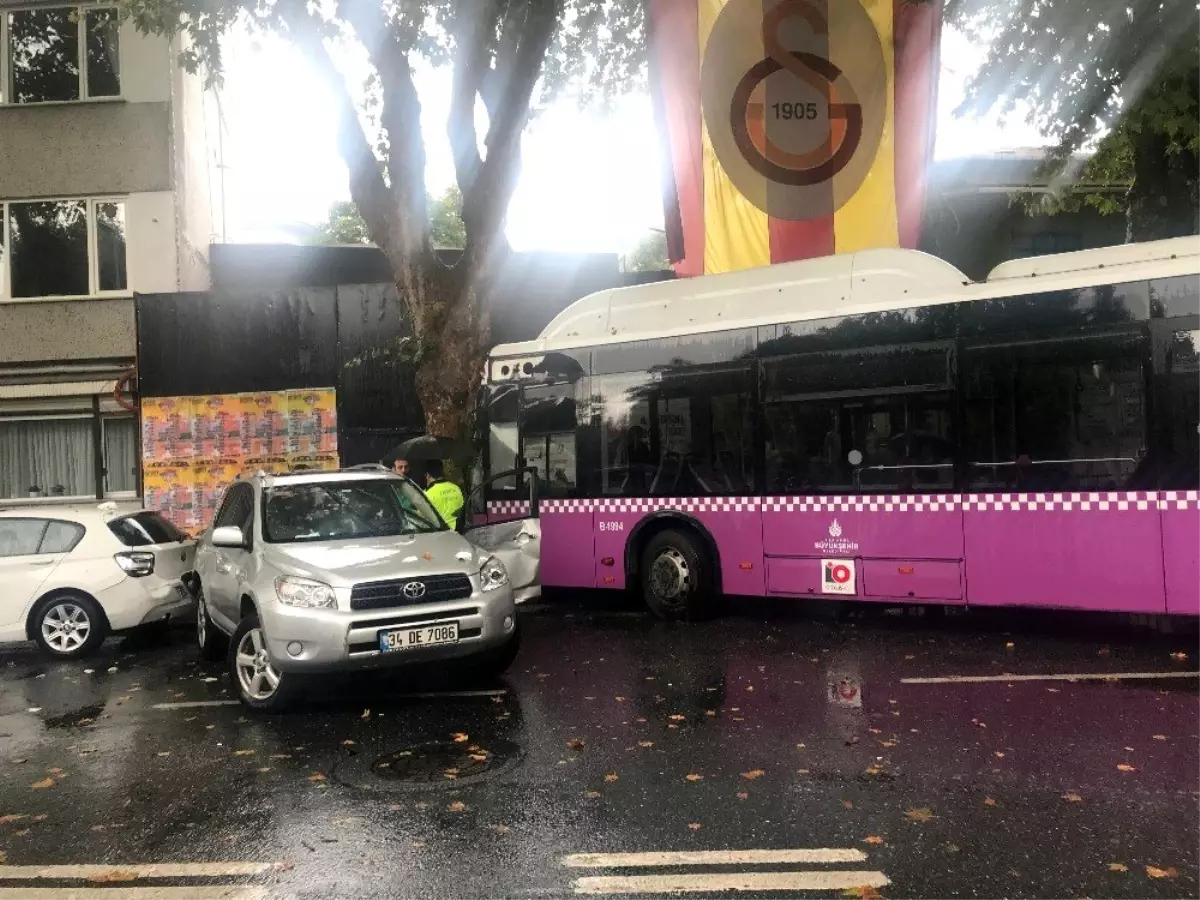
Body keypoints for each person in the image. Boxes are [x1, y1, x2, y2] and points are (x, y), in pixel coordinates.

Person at [423, 459, 464, 530]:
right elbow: (461, 509)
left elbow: (421, 518)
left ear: (427, 475)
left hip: (438, 534)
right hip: (457, 533)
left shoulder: (427, 493)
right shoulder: (456, 488)